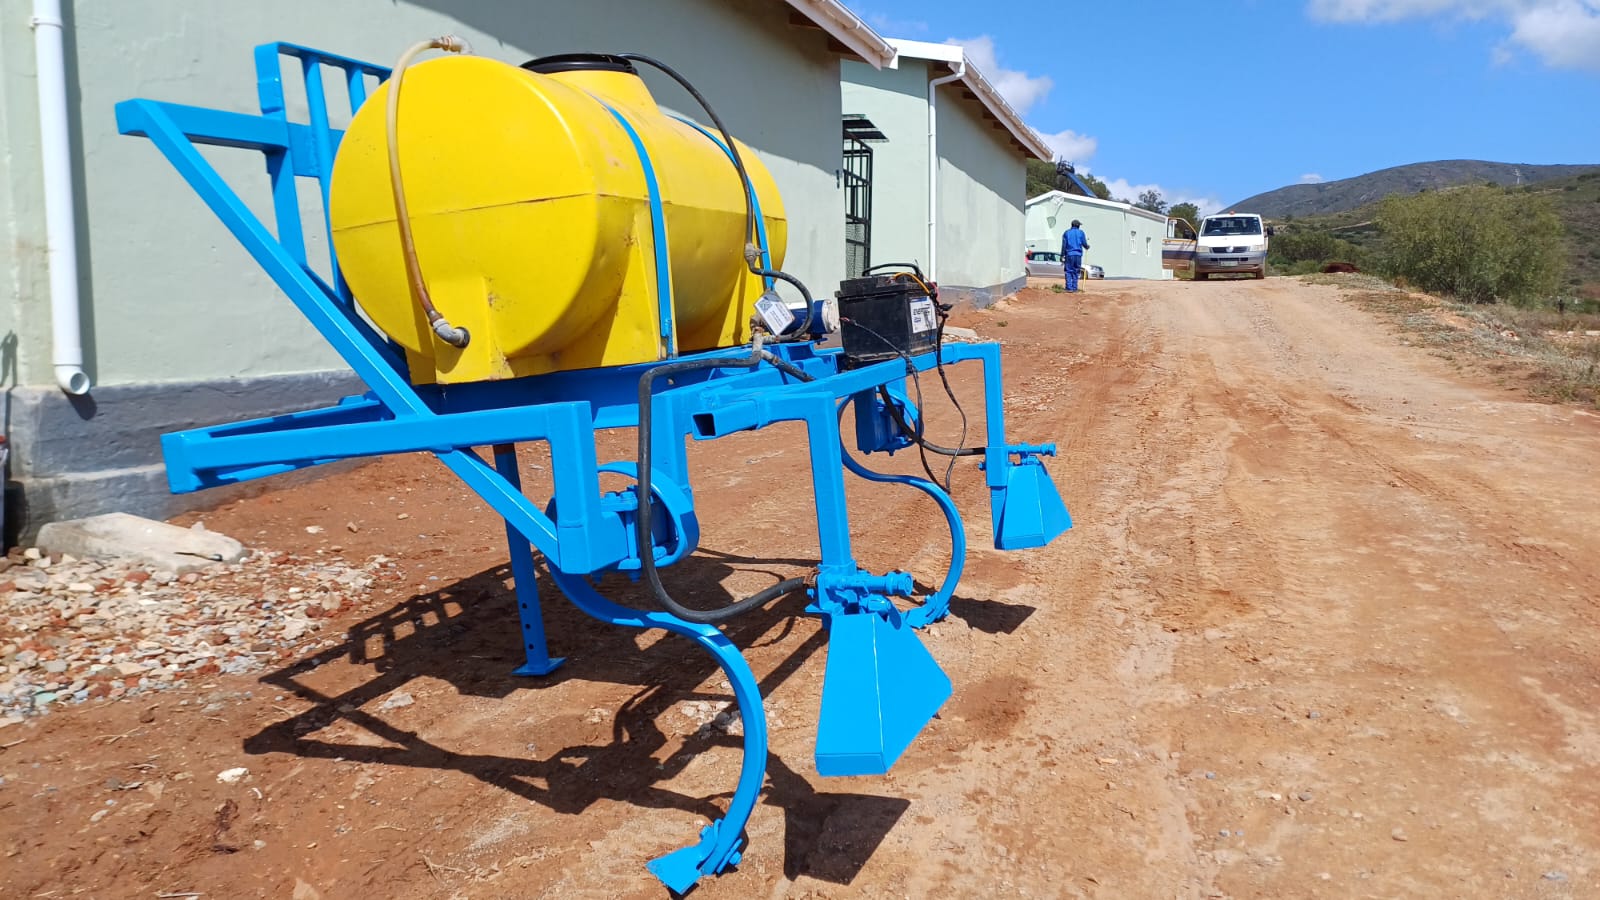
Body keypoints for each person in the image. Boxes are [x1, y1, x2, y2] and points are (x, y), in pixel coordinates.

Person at [1061, 219, 1090, 292]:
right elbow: (1084, 243)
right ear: (1078, 226)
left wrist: (1062, 255)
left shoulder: (1066, 233)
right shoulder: (1081, 233)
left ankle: (1069, 288)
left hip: (1069, 254)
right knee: (1076, 271)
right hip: (1078, 255)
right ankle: (1074, 288)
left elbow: (1064, 245)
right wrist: (1087, 247)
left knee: (1068, 271)